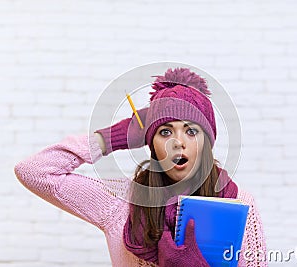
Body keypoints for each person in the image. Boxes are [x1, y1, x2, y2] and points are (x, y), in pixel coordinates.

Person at [14, 67, 268, 266]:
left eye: (191, 131)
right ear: (152, 144)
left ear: (207, 142)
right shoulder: (119, 202)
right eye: (165, 131)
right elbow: (34, 171)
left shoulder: (240, 204)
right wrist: (110, 137)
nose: (178, 143)